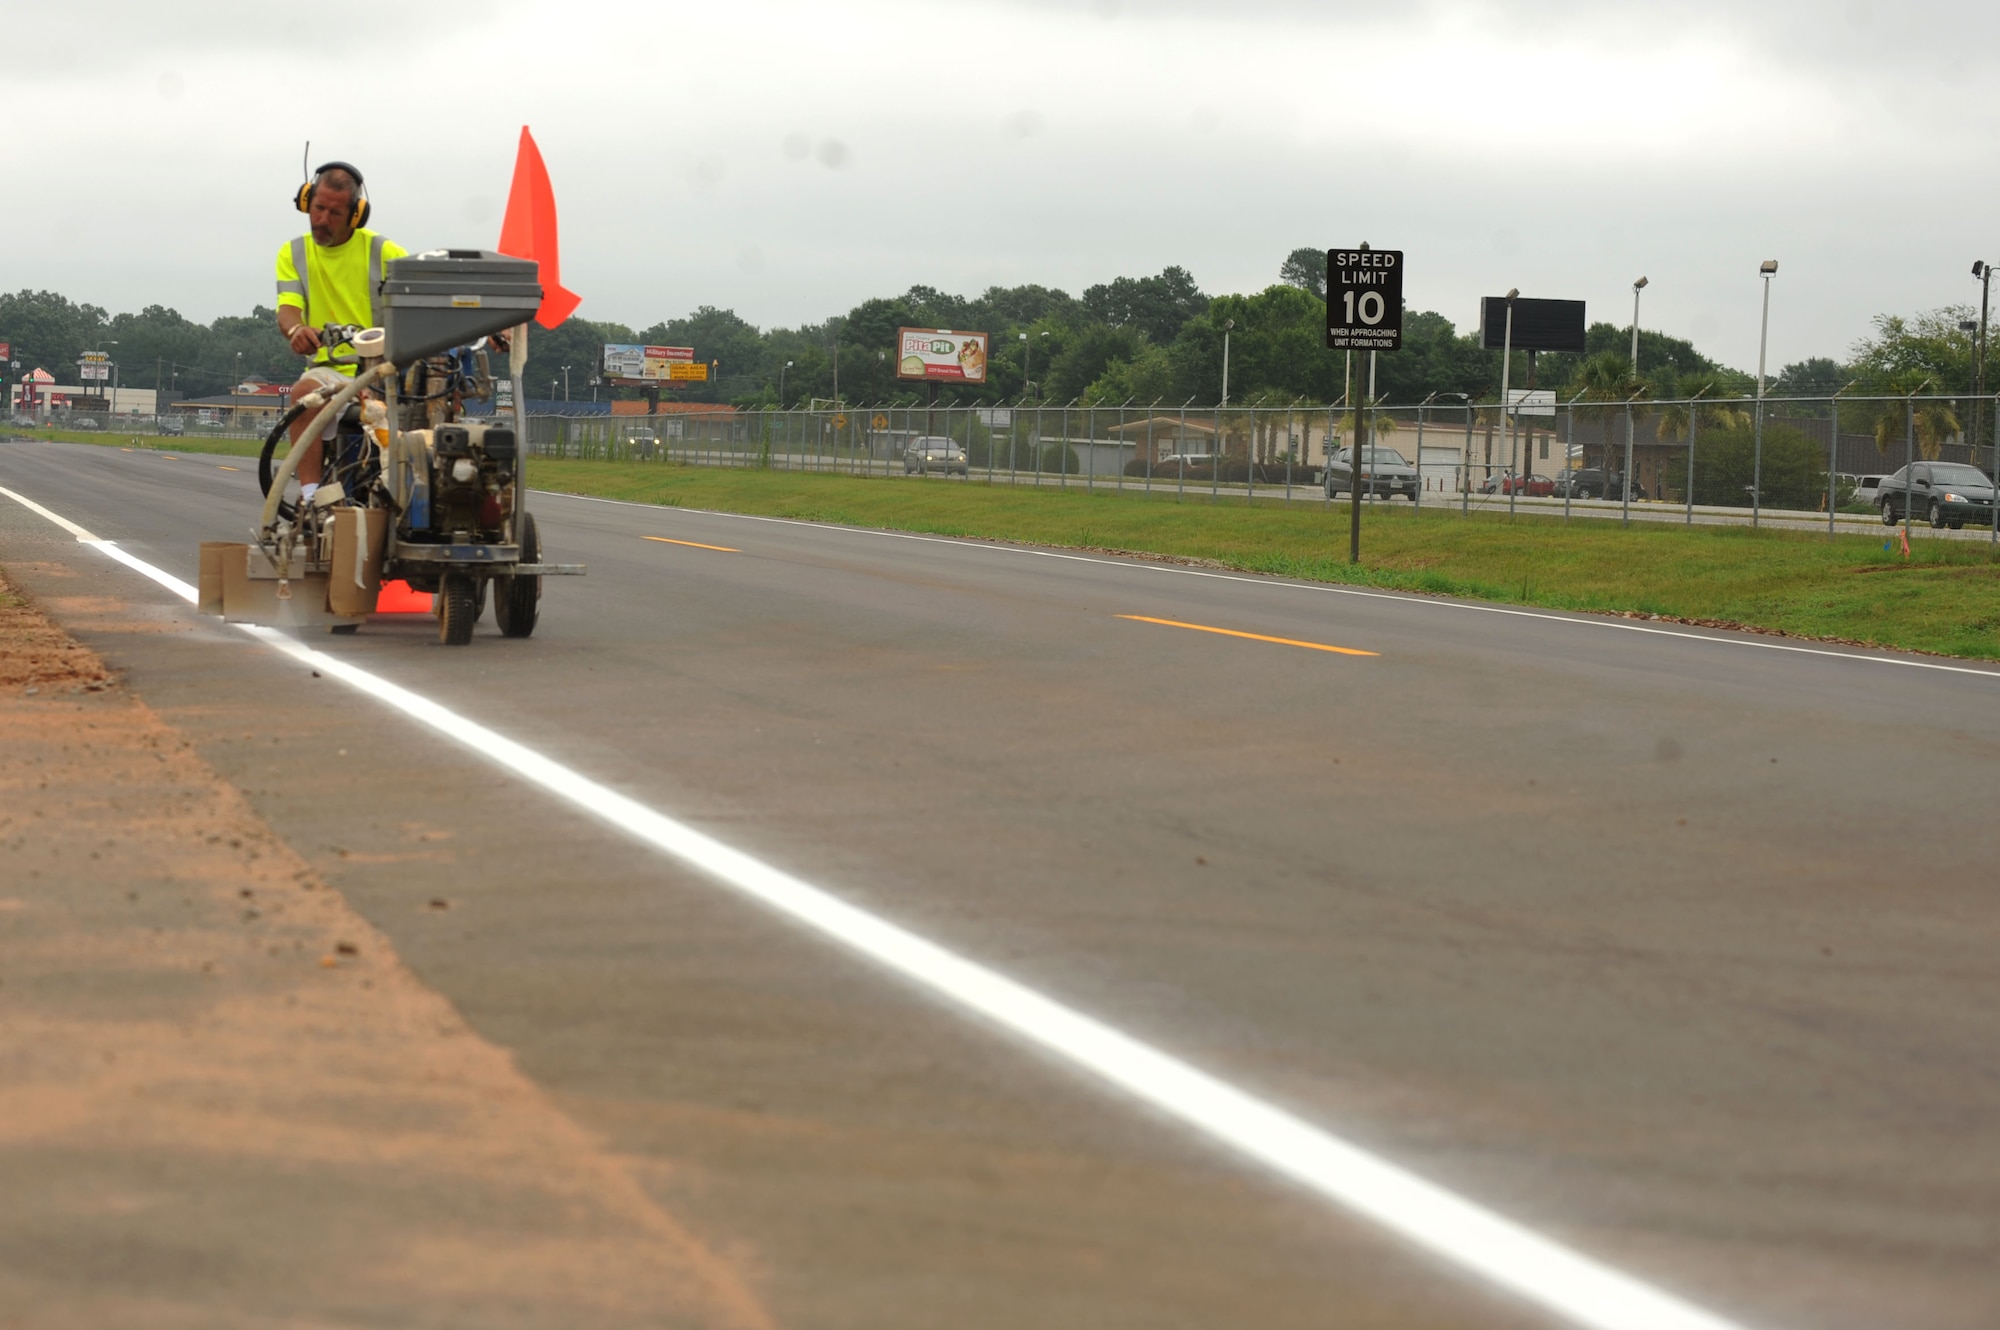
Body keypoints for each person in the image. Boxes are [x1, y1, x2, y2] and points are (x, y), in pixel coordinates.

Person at [273, 161, 406, 501]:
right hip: (329, 373)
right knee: (303, 395)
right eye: (317, 208)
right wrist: (295, 331)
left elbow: (420, 304)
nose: (322, 219)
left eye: (334, 213)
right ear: (306, 202)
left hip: (382, 371)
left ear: (355, 215)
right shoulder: (295, 253)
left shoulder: (385, 252)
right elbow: (288, 309)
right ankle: (312, 498)